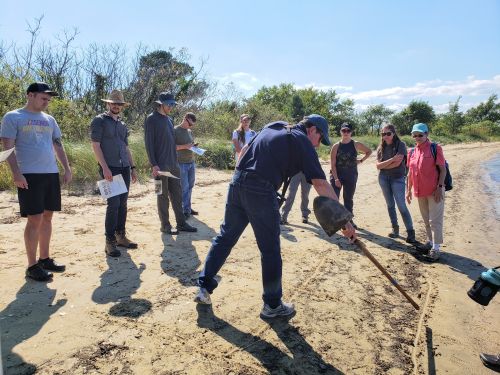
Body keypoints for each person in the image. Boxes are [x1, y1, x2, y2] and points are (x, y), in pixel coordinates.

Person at [194, 114, 356, 319]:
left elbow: (243, 151)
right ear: (312, 129)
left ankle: (203, 289)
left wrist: (243, 180)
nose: (317, 145)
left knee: (225, 238)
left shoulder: (275, 125)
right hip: (261, 190)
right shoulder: (302, 141)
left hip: (237, 182)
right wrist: (345, 221)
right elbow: (321, 185)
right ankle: (272, 305)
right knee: (270, 250)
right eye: (319, 139)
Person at [0, 82, 72, 281]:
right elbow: (7, 149)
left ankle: (45, 258)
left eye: (48, 99)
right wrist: (16, 173)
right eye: (43, 98)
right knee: (35, 219)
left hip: (50, 173)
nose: (47, 102)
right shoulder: (13, 117)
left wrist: (66, 168)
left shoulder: (49, 119)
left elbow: (58, 144)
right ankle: (32, 266)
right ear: (30, 95)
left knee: (48, 217)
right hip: (29, 174)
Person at [90, 90, 138, 257]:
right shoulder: (99, 121)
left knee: (123, 204)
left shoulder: (123, 125)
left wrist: (132, 167)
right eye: (113, 103)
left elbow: (126, 147)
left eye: (119, 104)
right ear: (108, 104)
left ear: (122, 106)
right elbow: (95, 146)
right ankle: (109, 241)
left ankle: (120, 236)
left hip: (124, 167)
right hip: (109, 167)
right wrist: (104, 168)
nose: (116, 106)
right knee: (113, 204)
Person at [144, 92, 197, 234]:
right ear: (161, 104)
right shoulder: (151, 119)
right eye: (169, 104)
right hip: (159, 166)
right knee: (161, 195)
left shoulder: (169, 120)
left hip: (174, 164)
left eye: (173, 104)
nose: (172, 106)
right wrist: (154, 164)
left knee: (177, 194)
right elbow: (149, 144)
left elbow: (172, 142)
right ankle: (165, 226)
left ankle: (181, 223)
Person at [406, 123, 446, 261]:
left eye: (420, 135)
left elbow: (443, 170)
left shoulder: (436, 148)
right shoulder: (411, 151)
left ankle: (436, 248)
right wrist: (408, 190)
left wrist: (439, 187)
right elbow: (410, 173)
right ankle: (429, 242)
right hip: (419, 191)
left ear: (426, 134)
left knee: (435, 220)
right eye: (415, 135)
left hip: (435, 191)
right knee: (426, 219)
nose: (417, 137)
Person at [375, 124, 416, 243]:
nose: (386, 136)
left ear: (393, 133)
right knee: (390, 205)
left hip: (397, 178)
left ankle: (410, 232)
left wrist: (385, 164)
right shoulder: (380, 148)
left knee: (401, 206)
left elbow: (398, 164)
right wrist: (392, 160)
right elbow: (378, 166)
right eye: (383, 134)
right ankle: (395, 229)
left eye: (388, 133)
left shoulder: (400, 145)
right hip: (383, 178)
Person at [330, 123, 372, 228]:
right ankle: (335, 221)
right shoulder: (336, 146)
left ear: (351, 132)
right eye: (343, 131)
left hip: (351, 175)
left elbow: (369, 151)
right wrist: (336, 179)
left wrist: (361, 160)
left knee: (348, 198)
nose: (346, 133)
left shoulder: (356, 144)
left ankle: (348, 221)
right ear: (340, 132)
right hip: (337, 175)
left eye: (348, 131)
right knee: (334, 199)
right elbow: (332, 164)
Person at [174, 112, 198, 219]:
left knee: (190, 186)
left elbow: (190, 144)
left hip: (191, 162)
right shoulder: (175, 130)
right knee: (184, 187)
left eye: (192, 125)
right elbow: (172, 147)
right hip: (181, 163)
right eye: (190, 124)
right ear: (185, 118)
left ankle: (188, 207)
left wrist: (194, 146)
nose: (190, 126)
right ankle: (184, 210)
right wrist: (185, 146)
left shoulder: (189, 131)